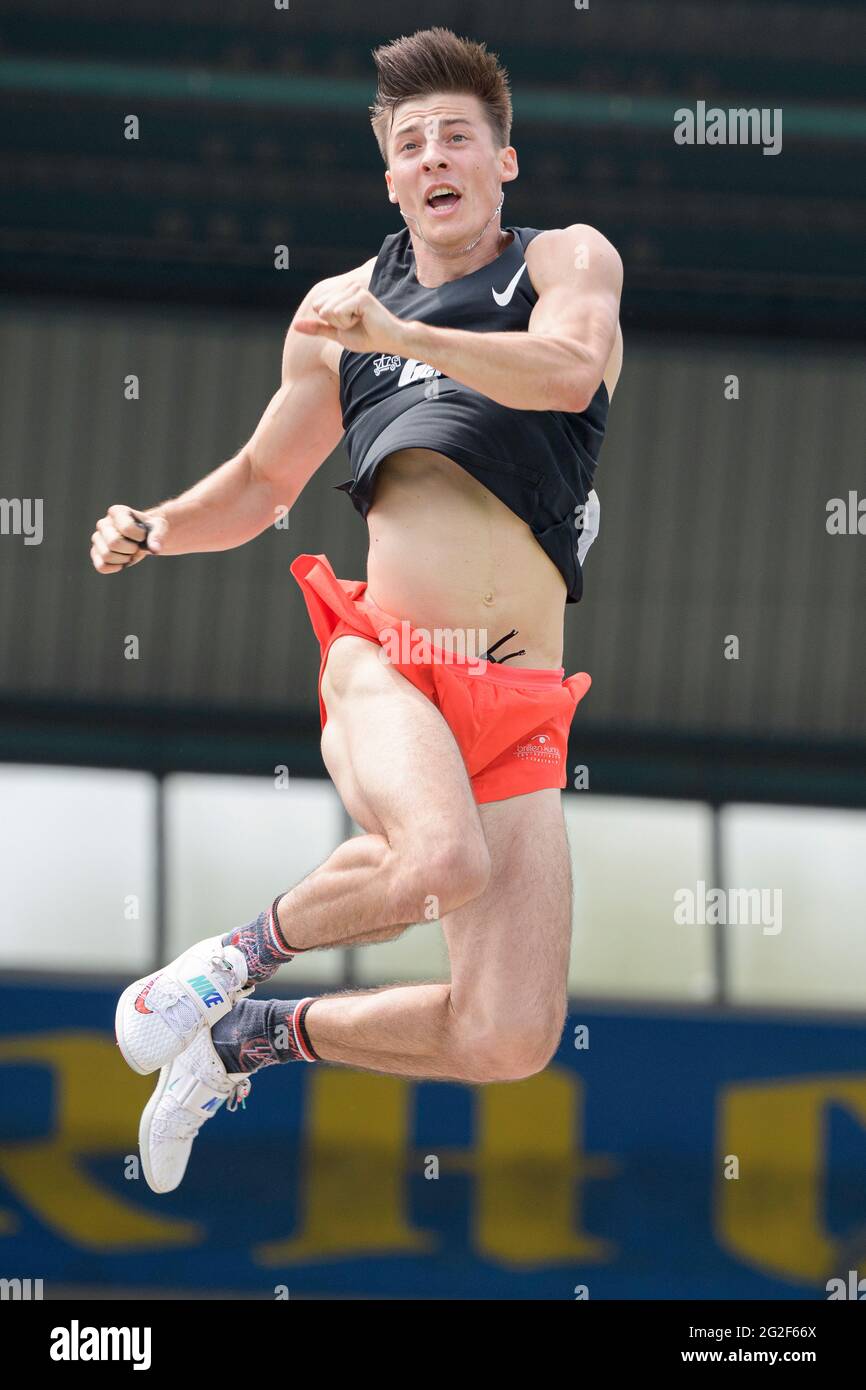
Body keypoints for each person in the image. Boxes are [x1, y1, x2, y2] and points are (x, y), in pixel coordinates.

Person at [91, 27, 623, 1194]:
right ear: (388, 174)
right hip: (388, 661)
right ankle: (221, 966)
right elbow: (262, 483)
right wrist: (161, 523)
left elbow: (567, 373)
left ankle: (254, 1037)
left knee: (509, 1035)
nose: (435, 158)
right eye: (410, 142)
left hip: (519, 696)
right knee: (438, 857)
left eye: (457, 139)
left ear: (502, 164)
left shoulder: (563, 264)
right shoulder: (339, 308)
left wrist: (404, 338)